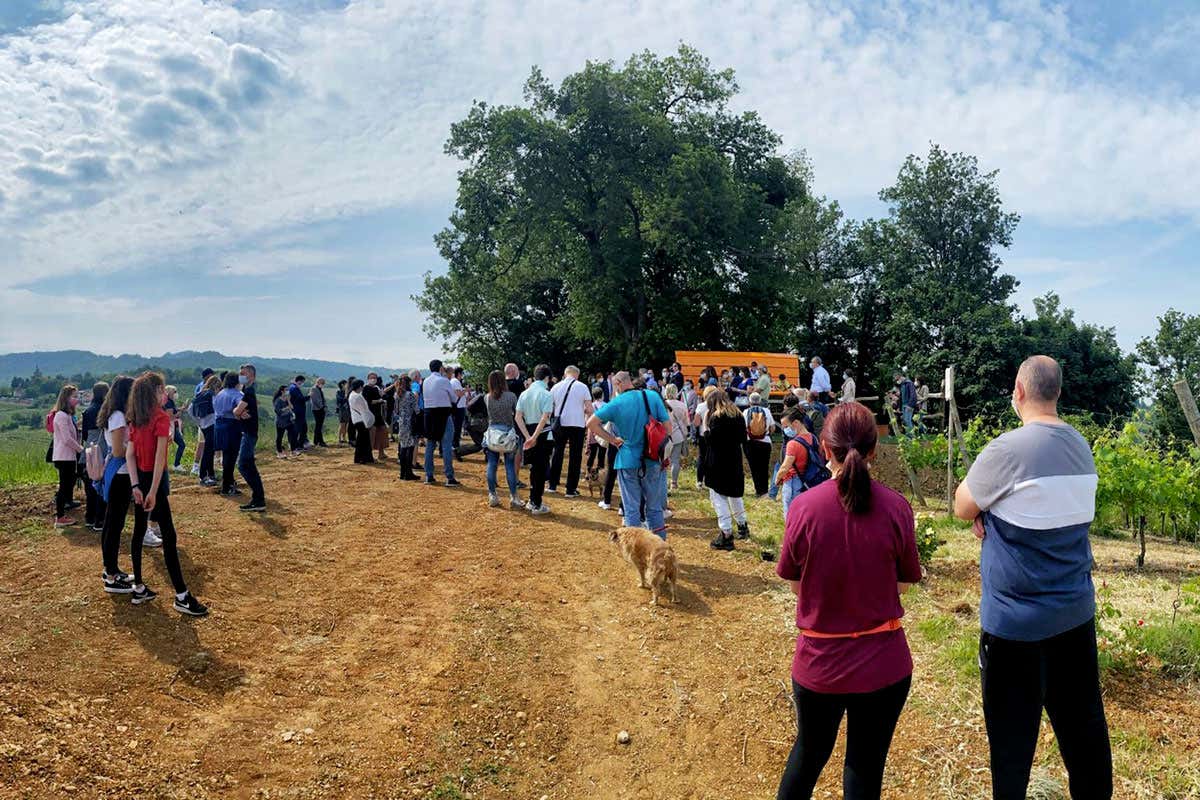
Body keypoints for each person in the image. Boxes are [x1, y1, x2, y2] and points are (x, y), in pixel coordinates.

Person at [953, 355, 1112, 800]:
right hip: (1075, 618)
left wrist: (986, 510)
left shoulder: (1007, 450)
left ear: (1019, 392)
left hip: (1015, 628)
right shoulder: (1081, 447)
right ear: (1057, 393)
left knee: (1011, 746)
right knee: (1084, 735)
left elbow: (962, 505)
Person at [775, 401, 922, 799]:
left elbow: (795, 585)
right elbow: (903, 585)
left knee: (808, 754)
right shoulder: (897, 507)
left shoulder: (803, 507)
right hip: (883, 665)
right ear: (874, 450)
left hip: (820, 663)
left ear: (825, 448)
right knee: (865, 766)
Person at [123, 371, 209, 616]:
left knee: (139, 531)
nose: (164, 394)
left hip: (139, 480)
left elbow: (130, 455)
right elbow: (160, 458)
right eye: (161, 390)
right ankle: (182, 596)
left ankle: (139, 587)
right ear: (155, 392)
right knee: (169, 537)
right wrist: (152, 491)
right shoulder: (160, 417)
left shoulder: (135, 417)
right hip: (154, 483)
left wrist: (136, 487)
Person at [586, 370, 671, 538]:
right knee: (654, 508)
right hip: (652, 458)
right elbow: (668, 428)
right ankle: (659, 546)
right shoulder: (652, 396)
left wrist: (612, 440)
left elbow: (591, 423)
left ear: (618, 384)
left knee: (631, 509)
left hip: (627, 458)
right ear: (630, 381)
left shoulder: (616, 403)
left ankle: (636, 546)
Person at [97, 376, 137, 593]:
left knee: (112, 523)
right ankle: (111, 576)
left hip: (118, 472)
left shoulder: (115, 415)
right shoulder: (118, 417)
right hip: (120, 473)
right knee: (114, 524)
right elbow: (119, 450)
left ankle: (110, 570)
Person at [703, 389, 750, 550]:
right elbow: (743, 438)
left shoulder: (716, 417)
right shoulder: (739, 415)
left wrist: (706, 428)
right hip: (734, 460)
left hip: (718, 462)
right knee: (735, 495)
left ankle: (726, 533)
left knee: (719, 498)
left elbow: (711, 440)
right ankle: (742, 525)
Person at [774, 408, 830, 525]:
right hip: (808, 480)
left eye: (786, 426)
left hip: (793, 482)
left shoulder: (792, 444)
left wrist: (777, 479)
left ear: (795, 423)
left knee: (791, 515)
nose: (784, 430)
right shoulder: (813, 437)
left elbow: (785, 467)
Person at [547, 366, 593, 498]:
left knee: (557, 453)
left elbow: (550, 407)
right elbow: (590, 409)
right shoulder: (583, 387)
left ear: (565, 373)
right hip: (577, 424)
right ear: (577, 374)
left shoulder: (555, 387)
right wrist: (580, 410)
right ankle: (570, 489)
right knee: (575, 457)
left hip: (560, 423)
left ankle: (552, 485)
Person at [515, 364, 555, 514]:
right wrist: (534, 437)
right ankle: (536, 503)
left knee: (534, 468)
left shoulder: (524, 394)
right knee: (541, 468)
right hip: (543, 433)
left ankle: (533, 501)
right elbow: (545, 418)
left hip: (528, 431)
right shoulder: (546, 394)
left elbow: (518, 417)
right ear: (547, 378)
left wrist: (528, 436)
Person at [482, 370, 523, 508]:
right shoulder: (511, 396)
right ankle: (514, 497)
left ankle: (492, 495)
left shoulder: (487, 397)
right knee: (509, 466)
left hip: (492, 433)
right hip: (508, 433)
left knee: (492, 464)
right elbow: (516, 413)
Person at [49, 383, 84, 528]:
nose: (77, 399)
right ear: (66, 398)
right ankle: (60, 517)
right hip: (64, 456)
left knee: (68, 484)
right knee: (64, 486)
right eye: (74, 396)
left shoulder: (67, 416)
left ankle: (62, 514)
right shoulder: (61, 416)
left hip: (67, 456)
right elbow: (66, 439)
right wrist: (80, 449)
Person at [232, 364, 266, 513]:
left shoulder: (249, 391)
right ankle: (258, 499)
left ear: (252, 375)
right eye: (240, 373)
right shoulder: (247, 390)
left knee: (243, 465)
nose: (241, 376)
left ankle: (258, 499)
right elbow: (238, 413)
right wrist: (238, 413)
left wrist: (237, 412)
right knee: (248, 465)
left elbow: (236, 411)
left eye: (243, 373)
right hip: (248, 432)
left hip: (249, 433)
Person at [422, 360, 460, 485]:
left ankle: (429, 475)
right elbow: (454, 398)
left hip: (429, 414)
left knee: (430, 445)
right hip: (443, 414)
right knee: (446, 446)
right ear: (440, 368)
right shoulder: (444, 380)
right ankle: (449, 477)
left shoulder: (425, 381)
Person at [81, 381, 109, 531]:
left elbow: (85, 434)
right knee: (101, 485)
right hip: (102, 450)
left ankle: (89, 517)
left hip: (89, 450)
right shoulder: (106, 410)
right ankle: (100, 520)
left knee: (90, 486)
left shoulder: (87, 411)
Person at [743, 392, 776, 498]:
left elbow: (743, 428)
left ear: (749, 401)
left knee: (754, 467)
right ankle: (764, 491)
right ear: (760, 401)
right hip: (765, 442)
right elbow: (772, 428)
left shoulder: (746, 412)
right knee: (764, 467)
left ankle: (758, 490)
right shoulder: (767, 411)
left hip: (750, 442)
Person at [191, 375, 219, 487]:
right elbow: (217, 410)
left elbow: (190, 409)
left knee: (209, 450)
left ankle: (211, 474)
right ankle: (203, 476)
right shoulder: (212, 395)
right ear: (216, 386)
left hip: (203, 426)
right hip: (212, 424)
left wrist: (198, 422)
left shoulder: (200, 394)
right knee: (208, 451)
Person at [663, 384, 689, 492]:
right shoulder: (682, 405)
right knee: (675, 460)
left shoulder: (662, 404)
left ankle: (662, 482)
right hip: (678, 435)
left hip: (664, 435)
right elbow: (687, 422)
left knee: (662, 459)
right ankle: (674, 483)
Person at [393, 375, 419, 480]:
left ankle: (402, 473)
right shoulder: (410, 395)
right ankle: (408, 473)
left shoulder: (397, 395)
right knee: (410, 448)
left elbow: (396, 411)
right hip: (410, 423)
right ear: (408, 383)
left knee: (403, 448)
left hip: (401, 423)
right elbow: (417, 410)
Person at [190, 367, 214, 477]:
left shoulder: (200, 388)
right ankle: (199, 469)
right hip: (207, 423)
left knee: (206, 446)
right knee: (204, 445)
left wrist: (197, 421)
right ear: (207, 377)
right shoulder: (205, 389)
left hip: (203, 422)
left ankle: (206, 470)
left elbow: (192, 407)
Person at [363, 373, 389, 462]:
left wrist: (382, 399)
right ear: (368, 378)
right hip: (370, 413)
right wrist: (378, 401)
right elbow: (367, 401)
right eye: (372, 378)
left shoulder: (376, 388)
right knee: (372, 434)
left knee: (382, 431)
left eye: (375, 378)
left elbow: (382, 395)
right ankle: (369, 454)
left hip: (378, 414)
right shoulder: (366, 388)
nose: (373, 379)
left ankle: (381, 453)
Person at [348, 379, 375, 464]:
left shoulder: (352, 395)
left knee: (363, 439)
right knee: (362, 440)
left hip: (356, 419)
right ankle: (361, 458)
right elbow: (364, 408)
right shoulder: (357, 396)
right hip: (361, 419)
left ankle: (365, 457)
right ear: (359, 387)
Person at [693, 385, 714, 489]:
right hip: (715, 435)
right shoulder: (719, 406)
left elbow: (696, 423)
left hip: (703, 434)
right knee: (713, 458)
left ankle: (700, 481)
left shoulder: (701, 406)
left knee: (702, 457)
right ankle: (710, 480)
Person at [163, 386, 187, 472]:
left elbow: (172, 410)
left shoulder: (169, 401)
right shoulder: (169, 402)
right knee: (181, 444)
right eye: (174, 391)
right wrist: (179, 413)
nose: (176, 394)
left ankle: (172, 464)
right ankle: (176, 464)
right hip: (170, 427)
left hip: (171, 427)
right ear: (169, 392)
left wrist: (180, 409)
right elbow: (170, 416)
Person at [287, 375, 309, 451]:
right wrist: (309, 396)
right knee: (297, 430)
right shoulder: (293, 388)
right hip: (297, 412)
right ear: (299, 381)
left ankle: (300, 445)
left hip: (300, 412)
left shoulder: (295, 387)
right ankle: (295, 446)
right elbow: (300, 399)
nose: (302, 383)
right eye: (302, 382)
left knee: (303, 429)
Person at [273, 385, 296, 458]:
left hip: (288, 420)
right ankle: (279, 452)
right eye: (286, 390)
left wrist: (288, 400)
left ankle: (293, 450)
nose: (287, 391)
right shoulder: (278, 400)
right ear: (282, 391)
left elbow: (292, 407)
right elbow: (278, 411)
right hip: (281, 422)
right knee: (280, 437)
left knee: (292, 434)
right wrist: (286, 408)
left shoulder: (286, 399)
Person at [450, 366, 468, 454]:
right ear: (459, 374)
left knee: (456, 427)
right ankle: (455, 446)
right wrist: (466, 390)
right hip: (458, 408)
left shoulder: (454, 381)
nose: (462, 376)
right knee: (457, 428)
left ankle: (455, 445)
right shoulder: (455, 381)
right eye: (462, 373)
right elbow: (459, 394)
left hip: (458, 407)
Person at [310, 378, 328, 447]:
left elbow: (323, 399)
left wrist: (325, 406)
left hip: (321, 409)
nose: (322, 384)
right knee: (318, 426)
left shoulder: (320, 389)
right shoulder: (314, 389)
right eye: (322, 383)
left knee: (319, 426)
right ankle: (320, 441)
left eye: (323, 383)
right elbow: (316, 400)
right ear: (317, 382)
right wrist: (322, 407)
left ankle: (316, 441)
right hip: (317, 409)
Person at [335, 380, 350, 445]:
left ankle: (344, 438)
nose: (347, 385)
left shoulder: (347, 391)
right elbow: (340, 400)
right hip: (341, 410)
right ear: (342, 385)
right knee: (342, 424)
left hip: (347, 410)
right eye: (346, 384)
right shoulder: (339, 392)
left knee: (346, 424)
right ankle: (339, 438)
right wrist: (346, 396)